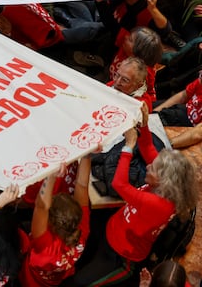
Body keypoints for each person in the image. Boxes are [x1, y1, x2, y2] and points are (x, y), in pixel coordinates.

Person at [73, 108, 198, 286]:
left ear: (164, 181)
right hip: (112, 233)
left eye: (152, 169)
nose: (147, 167)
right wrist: (144, 125)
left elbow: (119, 185)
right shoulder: (165, 185)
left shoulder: (158, 204)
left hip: (122, 257)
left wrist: (128, 147)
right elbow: (147, 147)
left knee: (80, 283)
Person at [20, 156, 92, 286]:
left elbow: (41, 206)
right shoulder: (82, 230)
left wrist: (51, 175)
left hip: (32, 282)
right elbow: (81, 185)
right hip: (57, 279)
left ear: (50, 222)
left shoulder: (45, 246)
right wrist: (87, 153)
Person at [108, 27, 163, 102]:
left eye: (130, 40)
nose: (125, 37)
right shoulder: (125, 48)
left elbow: (139, 98)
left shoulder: (141, 72)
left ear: (138, 50)